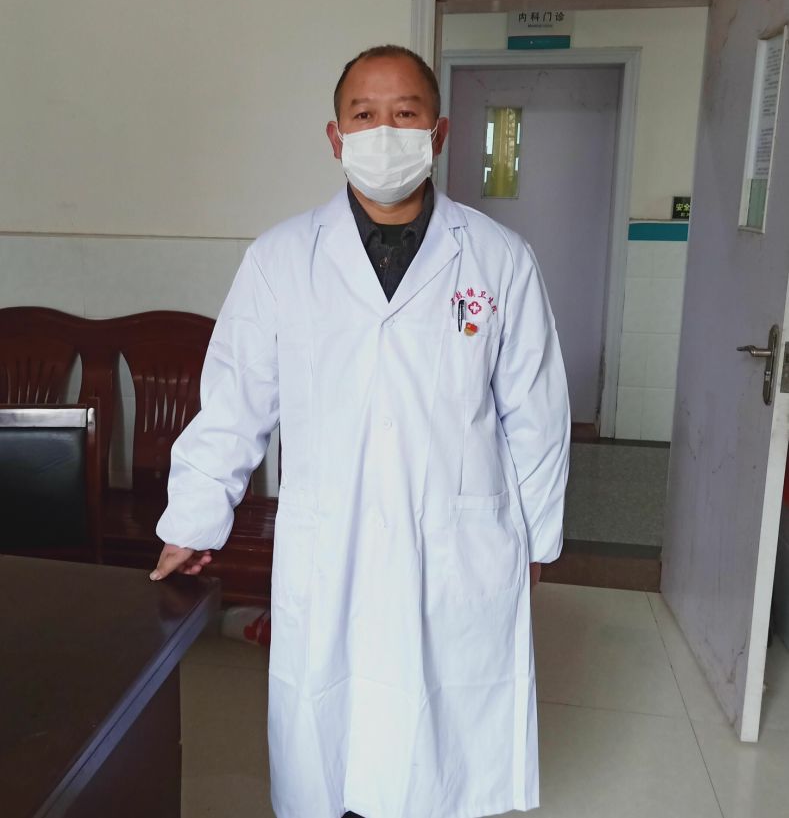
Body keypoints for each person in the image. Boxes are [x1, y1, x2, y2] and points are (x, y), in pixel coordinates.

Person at [150, 45, 571, 818]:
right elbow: (235, 402)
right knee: (332, 734)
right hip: (331, 533)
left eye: (404, 114)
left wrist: (536, 539)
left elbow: (536, 413)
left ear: (438, 133)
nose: (384, 132)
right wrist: (193, 518)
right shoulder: (281, 258)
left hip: (457, 536)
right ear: (334, 136)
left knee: (437, 741)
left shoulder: (498, 258)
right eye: (364, 114)